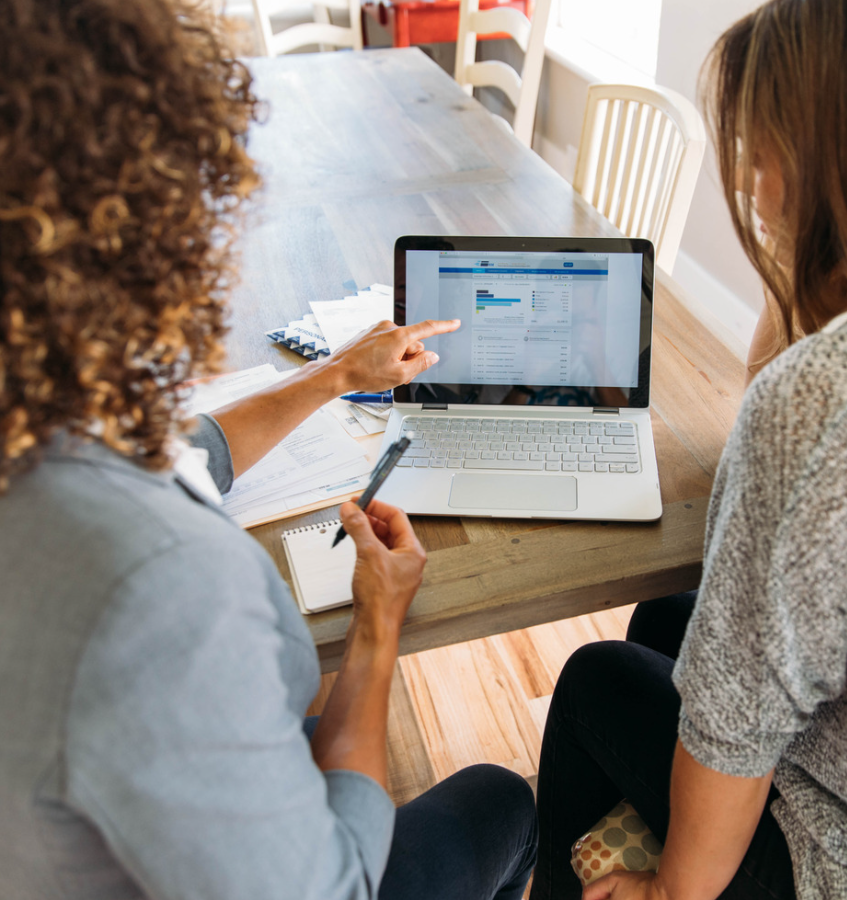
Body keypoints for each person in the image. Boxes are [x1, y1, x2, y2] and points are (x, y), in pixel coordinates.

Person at [0, 2, 537, 899]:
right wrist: (375, 630)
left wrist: (336, 375)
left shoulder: (43, 422)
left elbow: (186, 450)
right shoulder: (159, 587)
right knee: (503, 801)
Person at [531, 0, 847, 898]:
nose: (745, 177)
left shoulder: (824, 400)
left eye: (760, 148)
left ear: (817, 163)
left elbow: (733, 726)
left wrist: (670, 895)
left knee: (592, 678)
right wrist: (809, 263)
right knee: (670, 616)